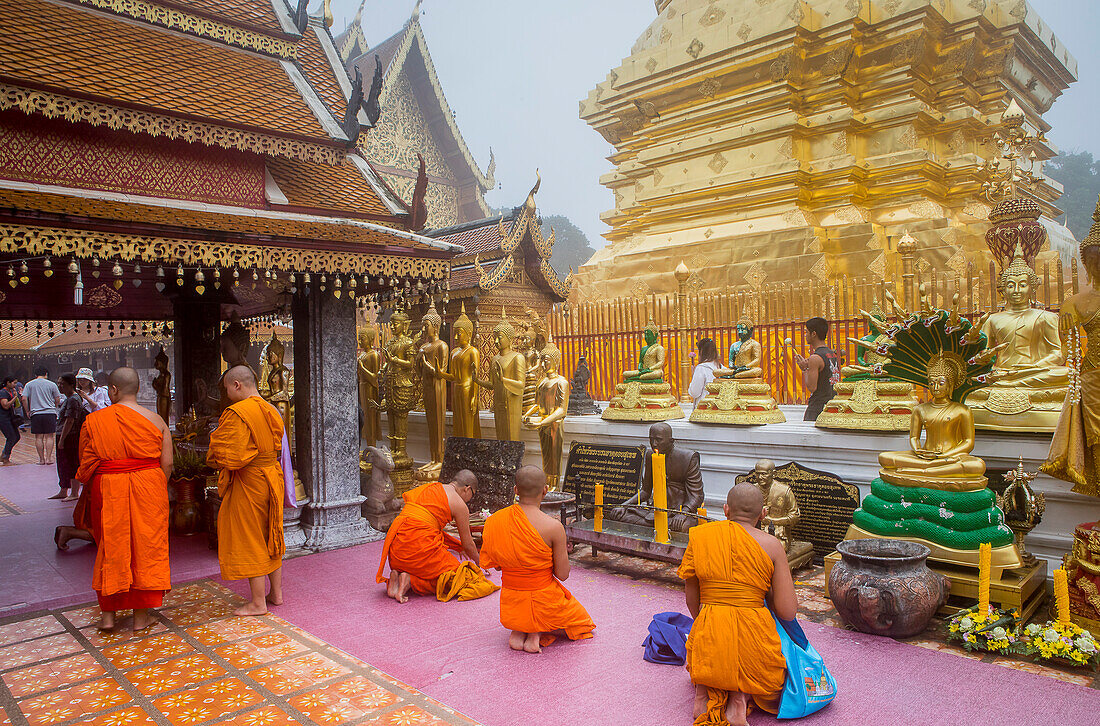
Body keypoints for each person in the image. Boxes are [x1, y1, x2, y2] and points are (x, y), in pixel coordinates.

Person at [679, 483, 796, 726]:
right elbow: (787, 611)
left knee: (714, 641)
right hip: (753, 639)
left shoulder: (701, 537)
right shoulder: (772, 545)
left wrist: (708, 622)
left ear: (725, 510)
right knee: (749, 647)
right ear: (763, 514)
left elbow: (692, 601)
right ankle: (738, 702)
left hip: (707, 636)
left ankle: (704, 691)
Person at [74, 367, 173, 631]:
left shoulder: (95, 421)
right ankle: (141, 619)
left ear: (113, 390)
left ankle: (108, 616)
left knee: (110, 547)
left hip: (109, 488)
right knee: (146, 548)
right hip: (149, 486)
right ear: (138, 389)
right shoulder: (157, 420)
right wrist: (151, 487)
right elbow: (168, 464)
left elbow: (86, 466)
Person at [480, 466, 595, 653]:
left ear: (516, 490)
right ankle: (536, 631)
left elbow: (498, 565)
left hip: (511, 601)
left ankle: (520, 630)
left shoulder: (495, 521)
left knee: (524, 594)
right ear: (545, 490)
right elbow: (563, 575)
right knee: (582, 622)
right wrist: (560, 552)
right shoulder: (553, 527)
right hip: (543, 599)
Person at [206, 365, 286, 617]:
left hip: (249, 480)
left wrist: (215, 448)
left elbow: (230, 456)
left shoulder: (238, 412)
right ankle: (276, 593)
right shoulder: (271, 408)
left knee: (250, 536)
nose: (227, 395)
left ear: (237, 385)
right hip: (272, 477)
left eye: (227, 389)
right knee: (270, 531)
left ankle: (257, 603)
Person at [376, 470, 488, 603]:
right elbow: (468, 544)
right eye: (472, 494)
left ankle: (398, 578)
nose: (470, 499)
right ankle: (410, 580)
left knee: (438, 567)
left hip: (396, 554)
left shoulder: (429, 487)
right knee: (462, 578)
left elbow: (418, 520)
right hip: (417, 552)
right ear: (467, 489)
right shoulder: (459, 504)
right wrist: (480, 562)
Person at [795, 317, 840, 422]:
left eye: (806, 332)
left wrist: (804, 369)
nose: (805, 335)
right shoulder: (832, 354)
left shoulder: (815, 358)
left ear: (813, 334)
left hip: (817, 407)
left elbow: (811, 387)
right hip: (831, 405)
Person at [54, 374, 87, 502]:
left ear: (71, 385)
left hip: (70, 436)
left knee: (71, 462)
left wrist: (62, 439)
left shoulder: (73, 399)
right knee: (63, 462)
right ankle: (63, 489)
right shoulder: (68, 399)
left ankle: (74, 492)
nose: (59, 386)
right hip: (64, 434)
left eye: (62, 384)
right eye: (58, 383)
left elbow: (70, 421)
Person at [21, 366, 61, 466]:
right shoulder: (52, 384)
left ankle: (41, 459)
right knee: (49, 436)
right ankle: (48, 458)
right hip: (50, 413)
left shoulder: (29, 384)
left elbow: (24, 399)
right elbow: (57, 398)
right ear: (46, 374)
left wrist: (27, 411)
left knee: (38, 437)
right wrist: (54, 407)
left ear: (35, 375)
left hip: (36, 413)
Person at [688, 338, 723, 406]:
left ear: (701, 352)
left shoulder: (701, 368)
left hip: (705, 408)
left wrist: (693, 376)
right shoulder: (722, 368)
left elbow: (695, 393)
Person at [0, 376, 22, 465]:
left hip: (10, 417)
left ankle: (4, 454)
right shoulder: (3, 392)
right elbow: (5, 405)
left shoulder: (11, 392)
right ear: (8, 382)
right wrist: (14, 397)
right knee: (11, 437)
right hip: (3, 418)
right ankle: (6, 458)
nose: (15, 385)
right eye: (14, 383)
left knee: (16, 436)